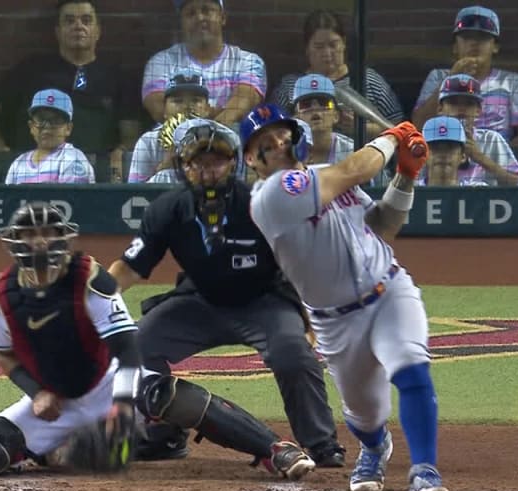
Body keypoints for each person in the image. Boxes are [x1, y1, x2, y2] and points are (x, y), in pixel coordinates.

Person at [240, 105, 453, 491]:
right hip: (336, 321)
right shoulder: (272, 196)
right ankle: (375, 446)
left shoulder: (325, 175)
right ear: (250, 159)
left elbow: (381, 225)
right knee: (364, 415)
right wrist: (395, 137)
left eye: (281, 135)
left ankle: (425, 475)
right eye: (264, 144)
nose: (278, 145)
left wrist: (406, 176)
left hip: (390, 289)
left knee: (411, 367)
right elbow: (357, 169)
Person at [107, 116, 345, 471]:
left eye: (216, 160)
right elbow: (129, 267)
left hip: (264, 301)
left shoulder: (260, 205)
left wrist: (309, 323)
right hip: (199, 302)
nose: (208, 170)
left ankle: (321, 444)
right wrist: (91, 302)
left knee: (293, 353)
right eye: (198, 162)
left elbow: (300, 265)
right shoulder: (168, 210)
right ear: (182, 167)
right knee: (137, 348)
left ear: (233, 162)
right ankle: (165, 435)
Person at [0, 202, 141, 476]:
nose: (40, 242)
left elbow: (127, 347)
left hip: (108, 385)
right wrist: (37, 393)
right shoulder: (0, 296)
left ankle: (161, 435)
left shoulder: (90, 281)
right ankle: (61, 449)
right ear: (15, 241)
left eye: (48, 232)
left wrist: (123, 404)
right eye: (30, 234)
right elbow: (4, 354)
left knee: (168, 397)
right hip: (57, 404)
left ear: (63, 238)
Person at [0, 0, 140, 169]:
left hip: (94, 172)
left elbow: (130, 134)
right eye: (69, 21)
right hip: (35, 171)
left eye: (86, 20)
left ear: (97, 31)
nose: (78, 26)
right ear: (58, 32)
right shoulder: (32, 69)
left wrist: (121, 153)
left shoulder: (117, 76)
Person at [412, 6, 518, 157]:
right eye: (467, 37)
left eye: (482, 38)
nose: (474, 43)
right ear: (455, 46)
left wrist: (497, 158)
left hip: (494, 160)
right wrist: (451, 78)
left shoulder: (511, 81)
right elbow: (418, 125)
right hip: (446, 156)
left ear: (495, 46)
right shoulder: (437, 77)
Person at [270, 9, 402, 141]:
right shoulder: (290, 86)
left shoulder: (368, 80)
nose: (327, 53)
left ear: (344, 43)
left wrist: (362, 128)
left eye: (333, 45)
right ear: (307, 49)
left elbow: (399, 128)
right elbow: (270, 130)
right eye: (319, 47)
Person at [141, 0, 265, 127]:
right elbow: (158, 108)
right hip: (171, 144)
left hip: (230, 144)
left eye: (206, 11)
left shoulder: (248, 61)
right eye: (190, 13)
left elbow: (240, 107)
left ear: (222, 18)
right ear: (182, 22)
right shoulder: (161, 62)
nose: (199, 18)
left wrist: (209, 135)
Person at [436, 74, 518, 186]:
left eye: (469, 104)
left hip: (484, 202)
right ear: (440, 109)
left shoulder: (492, 139)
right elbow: (416, 184)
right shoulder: (428, 140)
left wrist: (479, 157)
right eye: (454, 102)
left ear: (478, 110)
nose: (461, 108)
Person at [129, 69, 212, 183]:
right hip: (160, 199)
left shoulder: (221, 139)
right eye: (178, 101)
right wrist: (166, 165)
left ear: (207, 109)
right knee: (165, 175)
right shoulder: (148, 142)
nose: (187, 107)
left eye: (195, 100)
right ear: (165, 110)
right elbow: (133, 194)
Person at [4, 89, 96, 185]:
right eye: (40, 119)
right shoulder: (18, 163)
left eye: (56, 120)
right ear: (31, 127)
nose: (47, 126)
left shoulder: (72, 158)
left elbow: (72, 198)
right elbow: (7, 199)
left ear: (68, 128)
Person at [291, 74, 355, 165]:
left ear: (336, 116)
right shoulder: (286, 154)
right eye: (306, 104)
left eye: (324, 102)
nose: (315, 108)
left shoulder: (353, 152)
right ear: (297, 118)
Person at [419, 116, 489, 187]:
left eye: (450, 147)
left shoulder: (477, 190)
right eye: (435, 147)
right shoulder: (411, 190)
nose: (442, 154)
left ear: (463, 156)